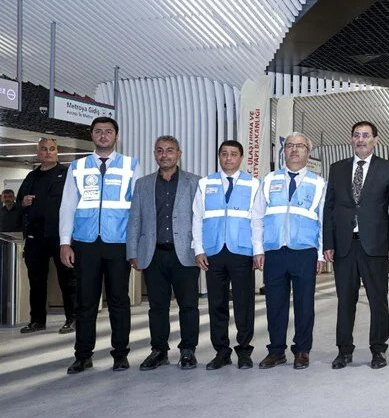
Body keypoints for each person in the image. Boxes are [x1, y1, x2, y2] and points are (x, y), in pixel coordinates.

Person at [59, 116, 139, 374]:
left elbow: (137, 210)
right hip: (86, 243)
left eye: (108, 131)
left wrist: (135, 245)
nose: (103, 135)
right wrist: (65, 242)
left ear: (117, 136)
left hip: (118, 243)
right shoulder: (78, 167)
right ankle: (83, 355)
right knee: (85, 302)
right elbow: (67, 207)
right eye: (98, 131)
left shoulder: (130, 165)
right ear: (92, 135)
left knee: (119, 301)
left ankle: (120, 354)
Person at [324, 121, 389, 370]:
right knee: (345, 300)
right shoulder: (337, 169)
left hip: (376, 246)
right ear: (351, 139)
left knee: (378, 299)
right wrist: (328, 243)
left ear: (375, 140)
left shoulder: (387, 168)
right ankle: (344, 350)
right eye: (357, 135)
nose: (361, 140)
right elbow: (329, 208)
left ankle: (378, 350)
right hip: (345, 246)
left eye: (366, 136)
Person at [127, 136, 201, 371]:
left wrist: (202, 250)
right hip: (153, 254)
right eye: (159, 150)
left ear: (179, 154)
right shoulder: (143, 184)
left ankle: (188, 350)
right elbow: (135, 220)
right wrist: (132, 251)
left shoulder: (195, 183)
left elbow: (201, 220)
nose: (164, 155)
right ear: (154, 154)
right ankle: (159, 350)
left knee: (188, 305)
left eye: (169, 150)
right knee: (157, 307)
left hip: (185, 254)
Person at [257, 132, 326, 370]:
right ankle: (276, 351)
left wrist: (319, 254)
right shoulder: (268, 180)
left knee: (304, 303)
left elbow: (323, 220)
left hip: (304, 252)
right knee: (275, 304)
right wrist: (258, 249)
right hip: (275, 251)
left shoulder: (318, 183)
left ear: (308, 152)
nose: (294, 150)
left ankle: (302, 350)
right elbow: (257, 217)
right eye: (290, 146)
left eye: (300, 146)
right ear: (283, 151)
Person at [192, 140, 263, 370]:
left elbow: (257, 220)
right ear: (219, 157)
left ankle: (244, 351)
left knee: (244, 303)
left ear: (241, 158)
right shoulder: (205, 183)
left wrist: (257, 250)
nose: (228, 158)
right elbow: (197, 218)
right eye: (224, 154)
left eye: (233, 154)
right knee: (217, 304)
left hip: (241, 251)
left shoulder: (253, 184)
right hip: (213, 252)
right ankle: (221, 352)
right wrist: (198, 249)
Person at [16, 138, 76, 334]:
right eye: (44, 149)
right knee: (36, 281)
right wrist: (23, 203)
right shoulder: (30, 177)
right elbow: (18, 205)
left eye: (52, 149)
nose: (48, 152)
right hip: (35, 237)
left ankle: (72, 319)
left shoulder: (67, 175)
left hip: (60, 237)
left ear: (57, 152)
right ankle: (37, 320)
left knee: (67, 280)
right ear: (38, 152)